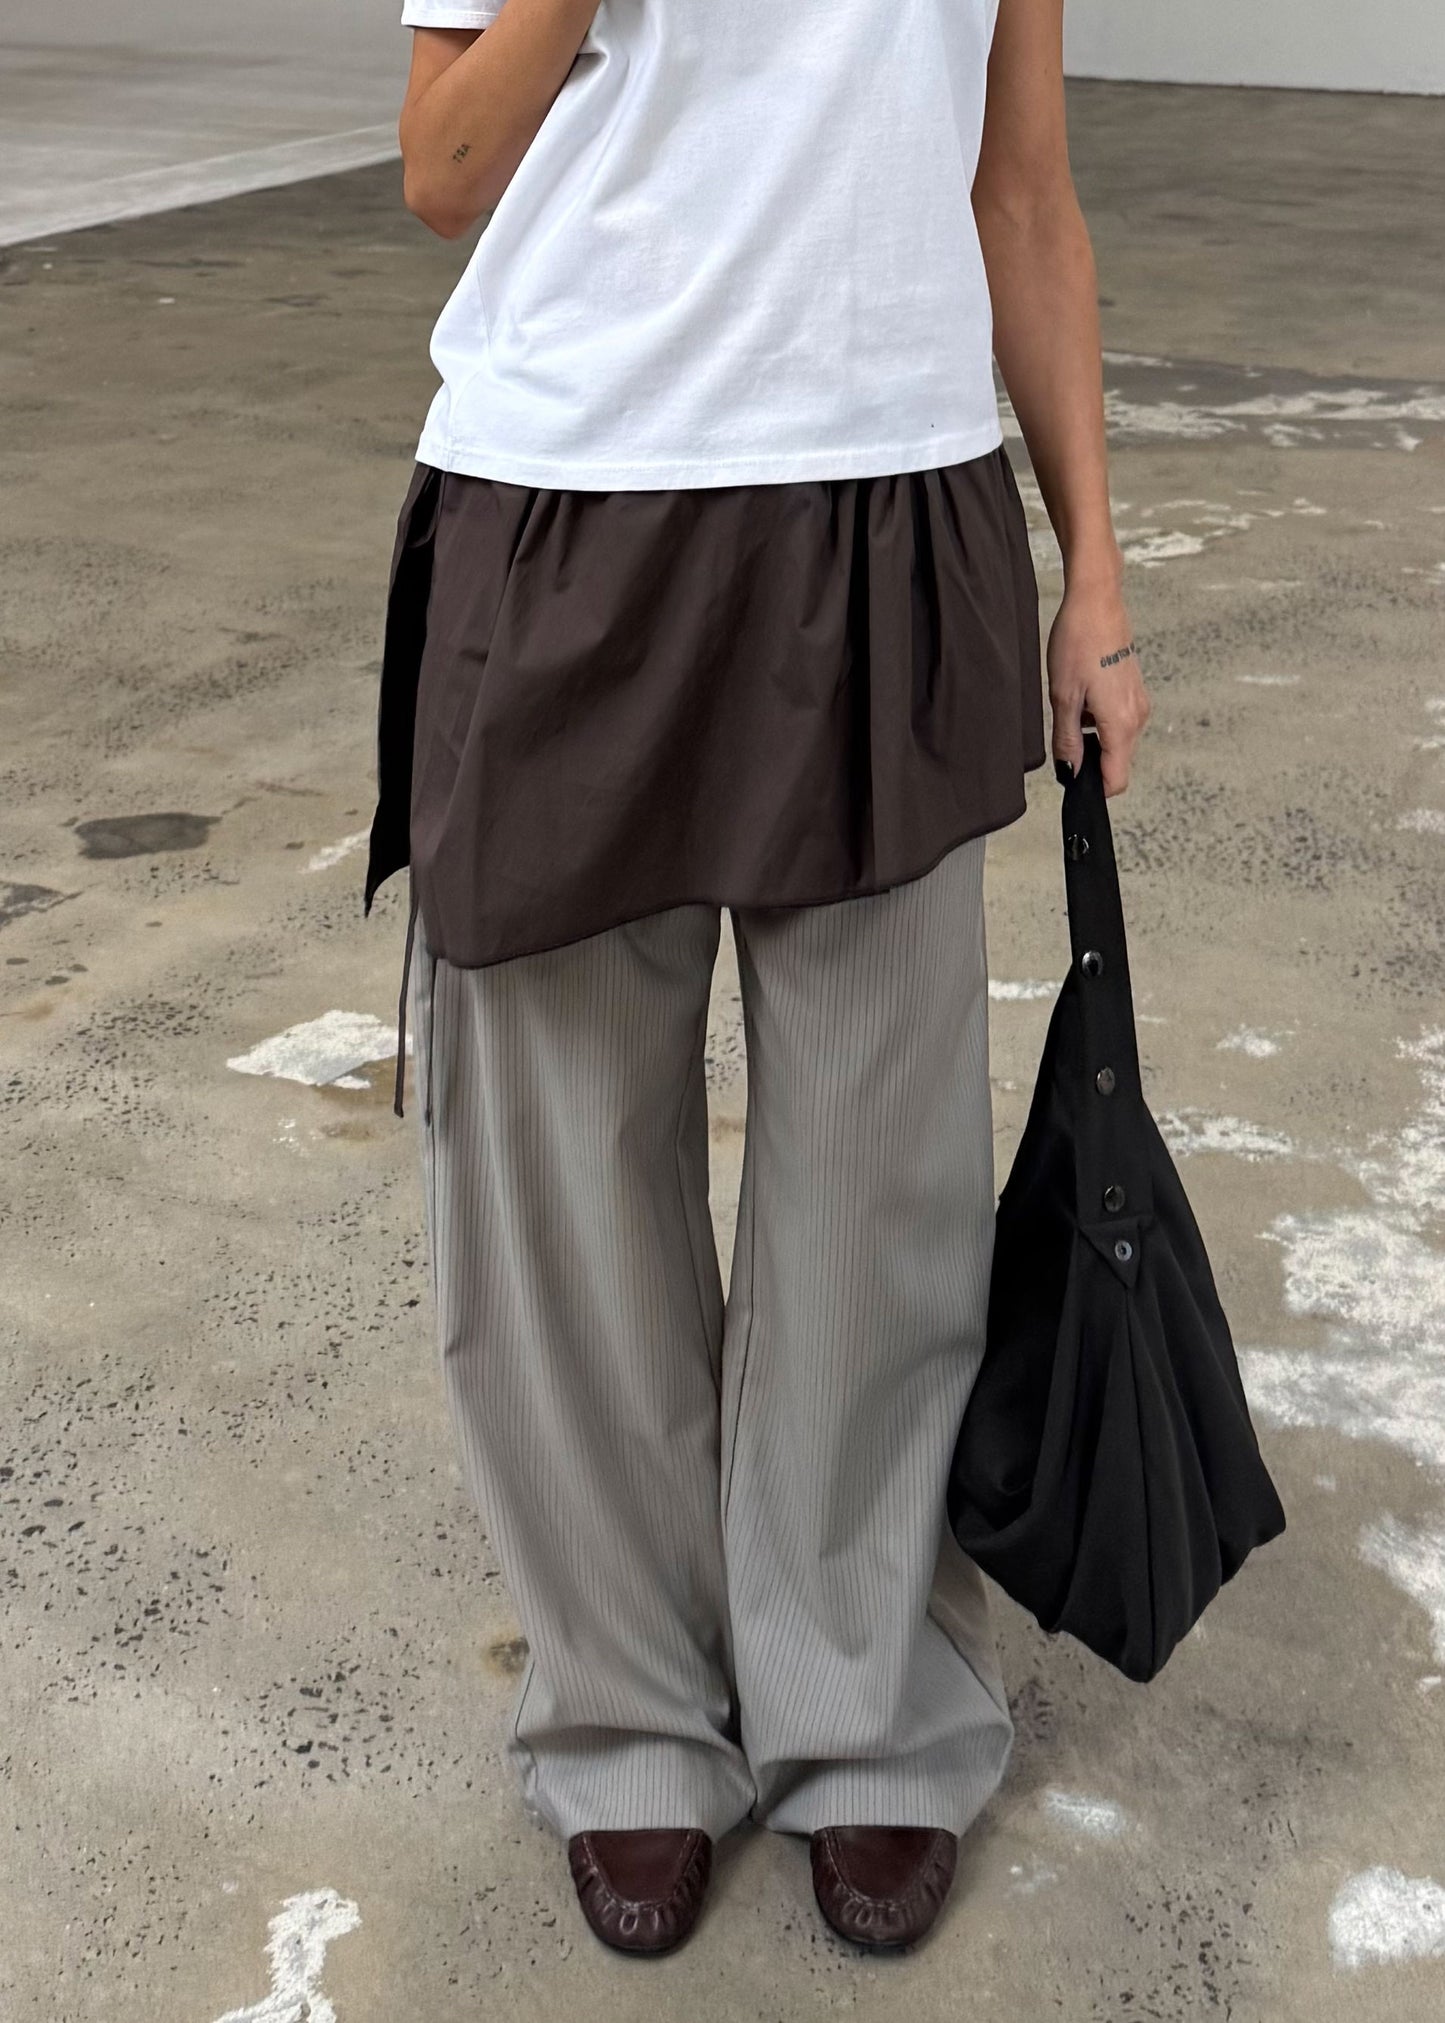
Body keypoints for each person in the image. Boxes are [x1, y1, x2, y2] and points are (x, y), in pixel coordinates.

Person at [364, 0, 1149, 1959]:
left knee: (876, 1187)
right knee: (560, 1188)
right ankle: (629, 1719)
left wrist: (1100, 584)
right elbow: (444, 166)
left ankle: (866, 1716)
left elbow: (1023, 193)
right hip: (569, 512)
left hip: (889, 503)